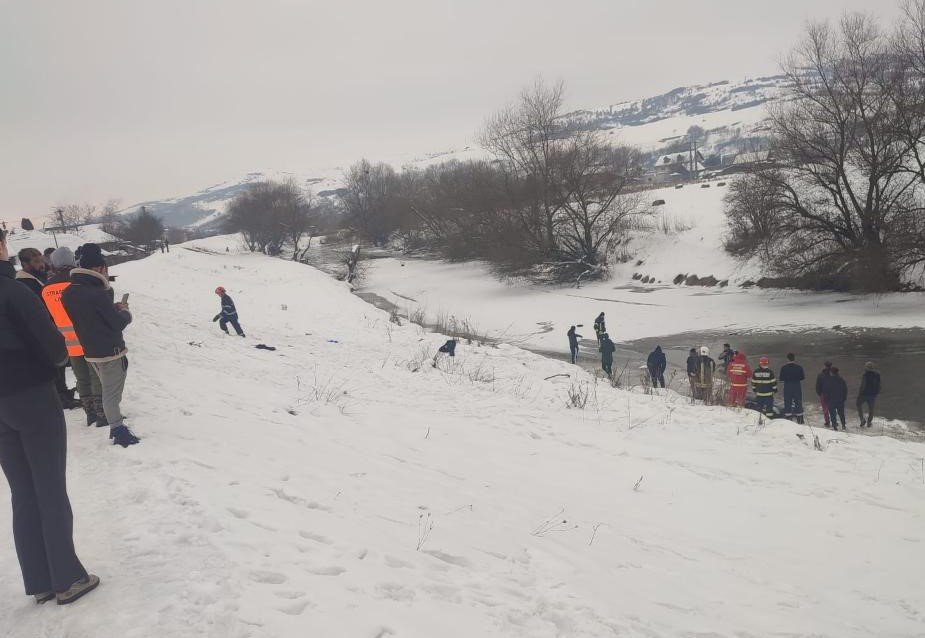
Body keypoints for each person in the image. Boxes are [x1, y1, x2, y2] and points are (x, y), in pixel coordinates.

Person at [0, 231, 100, 604]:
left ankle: (39, 580)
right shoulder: (13, 292)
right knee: (49, 486)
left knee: (22, 489)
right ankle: (67, 578)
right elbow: (56, 349)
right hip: (31, 398)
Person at [61, 244, 139, 447]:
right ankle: (118, 430)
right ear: (98, 269)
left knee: (108, 388)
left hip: (90, 350)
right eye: (105, 268)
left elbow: (91, 317)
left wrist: (110, 307)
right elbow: (116, 323)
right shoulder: (96, 293)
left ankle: (115, 421)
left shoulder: (69, 292)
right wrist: (124, 312)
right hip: (110, 351)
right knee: (111, 392)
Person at [42, 247, 105, 427]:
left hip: (68, 342)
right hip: (87, 338)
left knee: (81, 377)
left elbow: (50, 317)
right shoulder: (78, 282)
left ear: (54, 264)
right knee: (95, 376)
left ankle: (90, 412)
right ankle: (102, 413)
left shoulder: (46, 289)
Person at [779, 352, 805, 424]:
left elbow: (781, 379)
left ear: (787, 359)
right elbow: (802, 377)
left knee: (787, 402)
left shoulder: (783, 368)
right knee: (798, 402)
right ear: (794, 358)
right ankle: (800, 420)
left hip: (787, 386)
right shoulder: (799, 367)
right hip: (797, 386)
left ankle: (788, 420)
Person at [821, 366, 848, 430]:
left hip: (831, 400)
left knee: (832, 414)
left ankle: (835, 426)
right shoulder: (841, 380)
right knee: (841, 413)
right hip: (840, 400)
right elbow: (845, 390)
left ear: (831, 373)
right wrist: (844, 398)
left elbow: (825, 391)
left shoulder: (828, 380)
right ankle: (843, 425)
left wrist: (826, 399)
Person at [857, 361, 881, 428]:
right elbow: (879, 385)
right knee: (871, 409)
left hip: (864, 394)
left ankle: (862, 419)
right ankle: (869, 422)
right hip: (872, 395)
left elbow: (863, 385)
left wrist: (859, 394)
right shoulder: (877, 375)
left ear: (867, 368)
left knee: (858, 405)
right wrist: (877, 393)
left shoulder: (865, 375)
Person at [815, 361, 833, 428]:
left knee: (825, 409)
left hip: (823, 394)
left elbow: (817, 386)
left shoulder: (820, 375)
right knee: (833, 408)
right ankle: (834, 421)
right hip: (832, 394)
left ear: (825, 366)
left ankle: (827, 422)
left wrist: (819, 393)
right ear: (831, 366)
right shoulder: (833, 374)